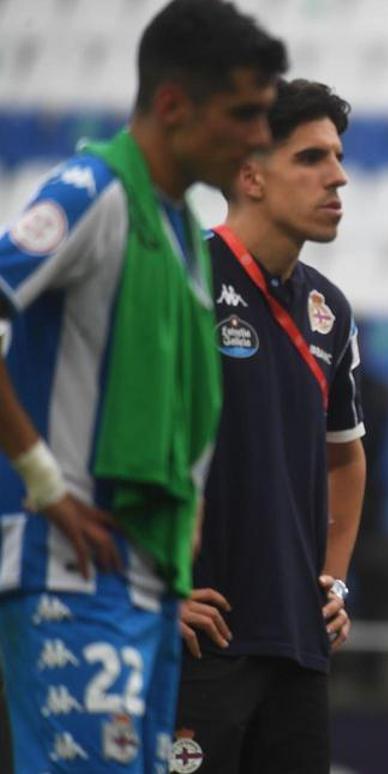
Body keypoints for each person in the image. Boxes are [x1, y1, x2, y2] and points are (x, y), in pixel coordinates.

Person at [0, 1, 285, 771]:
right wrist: (45, 482)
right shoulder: (93, 190)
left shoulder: (178, 229)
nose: (259, 136)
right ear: (173, 104)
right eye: (244, 113)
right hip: (69, 567)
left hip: (147, 578)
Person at [173, 78, 364, 773]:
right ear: (251, 174)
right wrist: (151, 587)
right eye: (311, 158)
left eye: (337, 156)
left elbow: (346, 457)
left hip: (298, 643)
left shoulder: (330, 309)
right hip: (197, 636)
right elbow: (95, 435)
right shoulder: (180, 279)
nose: (338, 176)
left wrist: (334, 582)